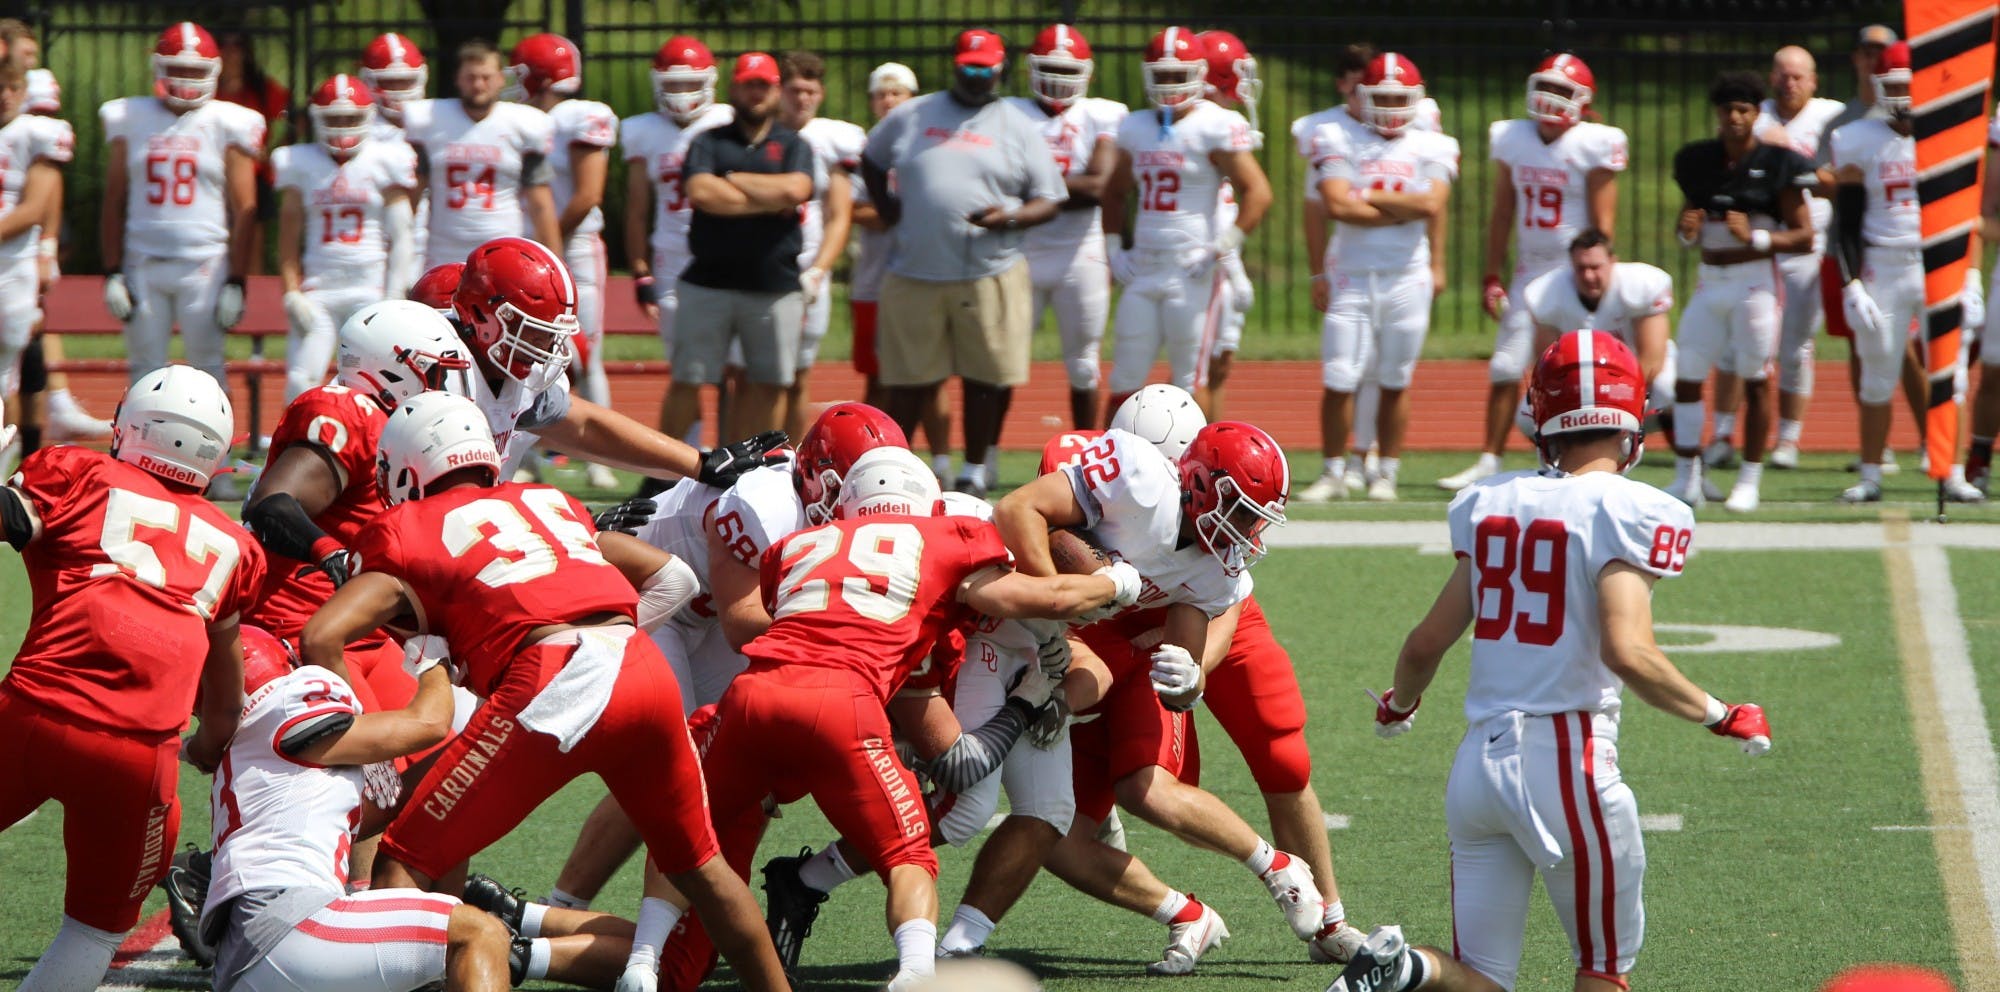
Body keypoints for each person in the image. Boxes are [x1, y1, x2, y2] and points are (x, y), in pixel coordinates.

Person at [300, 391, 793, 992]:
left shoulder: (403, 528)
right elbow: (674, 580)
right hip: (638, 665)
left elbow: (321, 634)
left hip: (553, 680)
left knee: (403, 865)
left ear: (406, 469)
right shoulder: (550, 501)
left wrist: (361, 742)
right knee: (703, 870)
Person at [1332, 330, 1773, 992]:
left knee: (1482, 977)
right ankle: (1408, 969)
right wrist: (1720, 713)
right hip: (1568, 761)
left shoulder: (1490, 501)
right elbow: (1627, 650)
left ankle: (1409, 967)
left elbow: (1426, 642)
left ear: (1543, 423)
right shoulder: (1631, 508)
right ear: (1630, 425)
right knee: (1602, 968)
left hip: (1477, 768)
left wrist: (1399, 705)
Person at [693, 445, 1138, 990]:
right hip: (892, 670)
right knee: (957, 808)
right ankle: (885, 935)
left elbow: (1072, 639)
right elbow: (961, 759)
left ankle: (653, 947)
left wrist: (1056, 681)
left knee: (691, 823)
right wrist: (1031, 699)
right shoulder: (957, 534)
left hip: (800, 686)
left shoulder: (840, 540)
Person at [534, 402, 897, 916]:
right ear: (816, 475)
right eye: (850, 487)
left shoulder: (836, 504)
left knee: (748, 758)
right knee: (671, 763)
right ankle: (561, 910)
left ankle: (698, 924)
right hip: (652, 601)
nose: (860, 502)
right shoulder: (765, 506)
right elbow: (743, 624)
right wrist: (846, 631)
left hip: (705, 615)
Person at [996, 421, 1330, 973]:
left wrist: (1188, 681)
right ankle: (1184, 914)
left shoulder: (1218, 564)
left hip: (1118, 648)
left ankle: (1278, 869)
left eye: (1255, 517)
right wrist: (1055, 605)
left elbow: (1181, 656)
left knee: (1146, 789)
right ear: (1200, 484)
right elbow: (1015, 510)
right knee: (1048, 831)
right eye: (1241, 511)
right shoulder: (1137, 478)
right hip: (1060, 629)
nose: (1248, 531)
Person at [0, 367, 265, 992]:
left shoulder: (80, 471)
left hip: (34, 712)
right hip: (141, 757)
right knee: (93, 931)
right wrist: (205, 749)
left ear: (129, 426)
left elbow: (12, 520)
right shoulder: (235, 546)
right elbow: (225, 703)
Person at [202, 629, 635, 992]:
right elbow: (428, 723)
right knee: (478, 933)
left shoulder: (253, 758)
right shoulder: (280, 704)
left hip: (248, 956)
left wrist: (482, 737)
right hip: (291, 924)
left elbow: (379, 808)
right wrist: (432, 660)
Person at [862, 27, 1069, 497]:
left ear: (1001, 70)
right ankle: (892, 471)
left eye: (985, 70)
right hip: (914, 271)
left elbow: (1050, 198)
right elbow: (871, 160)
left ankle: (975, 469)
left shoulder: (1016, 123)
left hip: (990, 270)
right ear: (954, 66)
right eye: (968, 69)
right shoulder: (913, 114)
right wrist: (889, 208)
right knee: (907, 382)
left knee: (985, 379)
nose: (976, 78)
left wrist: (1009, 217)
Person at [446, 235, 786, 490]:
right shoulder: (435, 368)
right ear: (479, 315)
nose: (545, 348)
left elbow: (586, 426)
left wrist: (701, 464)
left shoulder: (511, 378)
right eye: (533, 332)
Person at [1438, 54, 1626, 492]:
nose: (1550, 97)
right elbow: (1503, 211)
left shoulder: (1595, 142)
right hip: (1529, 270)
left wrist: (1593, 278)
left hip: (1573, 271)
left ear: (1583, 99)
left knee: (1579, 369)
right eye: (1546, 86)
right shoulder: (1514, 138)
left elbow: (1603, 224)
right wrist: (1491, 273)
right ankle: (1490, 458)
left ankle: (1589, 458)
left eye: (1562, 89)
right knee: (1506, 366)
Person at [1828, 43, 1985, 505]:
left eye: (1908, 84)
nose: (1903, 95)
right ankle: (1871, 474)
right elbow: (1847, 220)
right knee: (1877, 371)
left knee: (1951, 375)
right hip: (1885, 263)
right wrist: (1851, 282)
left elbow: (1965, 215)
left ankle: (1950, 471)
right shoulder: (1856, 137)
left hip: (1942, 263)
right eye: (1894, 85)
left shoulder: (1953, 133)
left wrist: (1972, 276)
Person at [1302, 53, 1459, 502]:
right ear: (1363, 96)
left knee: (1395, 378)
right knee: (1338, 376)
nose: (1390, 107)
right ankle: (1333, 471)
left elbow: (1432, 205)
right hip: (1350, 273)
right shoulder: (1336, 135)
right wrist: (1402, 207)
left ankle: (1386, 470)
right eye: (1382, 97)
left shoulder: (1433, 143)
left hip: (1406, 275)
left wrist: (1366, 193)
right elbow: (1336, 204)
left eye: (1398, 98)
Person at [1103, 28, 1271, 421]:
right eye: (1162, 75)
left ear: (1198, 74)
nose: (1170, 83)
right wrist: (1113, 248)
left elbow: (1258, 192)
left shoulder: (1215, 123)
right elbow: (1113, 191)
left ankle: (1194, 461)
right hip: (1144, 266)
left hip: (1191, 270)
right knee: (1124, 378)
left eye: (1178, 75)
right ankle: (1111, 454)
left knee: (1189, 381)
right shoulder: (1136, 126)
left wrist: (1221, 247)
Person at [1669, 70, 1816, 512]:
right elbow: (1687, 227)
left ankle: (1749, 478)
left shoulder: (1776, 163)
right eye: (1727, 110)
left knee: (1755, 379)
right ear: (1717, 114)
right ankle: (1687, 476)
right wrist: (1686, 231)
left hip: (1754, 283)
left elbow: (1804, 235)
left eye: (1743, 110)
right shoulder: (1699, 161)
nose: (1734, 117)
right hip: (1709, 279)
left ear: (1755, 114)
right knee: (1686, 377)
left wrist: (1756, 237)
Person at [1701, 45, 1850, 473]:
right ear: (1771, 78)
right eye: (1783, 74)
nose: (1790, 83)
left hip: (1803, 245)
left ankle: (1788, 437)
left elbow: (1841, 184)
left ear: (1814, 81)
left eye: (1798, 76)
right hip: (1751, 244)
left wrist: (1792, 164)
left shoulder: (1832, 118)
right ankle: (1723, 434)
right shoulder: (1754, 114)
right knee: (1735, 342)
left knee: (1795, 345)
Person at [99, 21, 265, 386]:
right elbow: (113, 201)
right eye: (178, 69)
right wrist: (111, 271)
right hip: (142, 261)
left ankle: (217, 428)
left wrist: (237, 280)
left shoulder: (226, 121)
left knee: (209, 369)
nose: (187, 78)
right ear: (158, 67)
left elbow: (245, 209)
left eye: (194, 70)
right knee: (143, 370)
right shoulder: (130, 117)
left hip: (205, 264)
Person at [661, 51, 816, 442]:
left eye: (763, 85)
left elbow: (797, 190)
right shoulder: (708, 141)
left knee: (771, 383)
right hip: (708, 281)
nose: (756, 93)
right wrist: (769, 199)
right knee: (688, 379)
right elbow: (701, 192)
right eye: (749, 85)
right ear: (733, 89)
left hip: (774, 284)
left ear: (776, 91)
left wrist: (731, 179)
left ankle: (757, 467)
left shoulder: (794, 144)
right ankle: (661, 470)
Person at [504, 32, 620, 489]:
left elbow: (588, 194)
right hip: (528, 246)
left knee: (583, 353)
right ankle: (524, 454)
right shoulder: (520, 120)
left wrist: (545, 243)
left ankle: (601, 458)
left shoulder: (577, 116)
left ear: (538, 77)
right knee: (519, 351)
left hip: (571, 246)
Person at [1006, 24, 1127, 430]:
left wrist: (1033, 188)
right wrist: (1066, 186)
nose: (1058, 78)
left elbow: (1098, 187)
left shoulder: (1101, 114)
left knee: (1084, 365)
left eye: (1066, 69)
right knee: (1001, 362)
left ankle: (1087, 446)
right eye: (1051, 68)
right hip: (1021, 250)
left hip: (1081, 251)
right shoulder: (1008, 112)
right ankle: (986, 456)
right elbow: (1002, 182)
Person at [272, 75, 418, 401]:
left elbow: (402, 236)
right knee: (300, 381)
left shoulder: (386, 159)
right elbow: (288, 236)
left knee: (380, 383)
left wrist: (394, 294)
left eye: (350, 119)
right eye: (334, 118)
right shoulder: (300, 162)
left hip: (370, 288)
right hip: (319, 291)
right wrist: (291, 291)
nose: (341, 127)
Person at [622, 35, 732, 449]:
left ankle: (733, 448)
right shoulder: (644, 131)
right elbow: (636, 207)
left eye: (690, 84)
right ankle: (691, 454)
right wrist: (640, 270)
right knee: (685, 368)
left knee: (731, 368)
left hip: (724, 257)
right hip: (671, 260)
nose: (683, 94)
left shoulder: (727, 121)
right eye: (674, 85)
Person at [850, 63, 955, 476]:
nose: (889, 101)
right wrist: (908, 213)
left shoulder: (931, 147)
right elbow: (854, 208)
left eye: (898, 93)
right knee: (878, 379)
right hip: (876, 280)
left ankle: (943, 462)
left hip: (926, 277)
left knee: (931, 377)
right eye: (881, 94)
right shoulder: (867, 149)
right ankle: (869, 457)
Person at [402, 39, 560, 269]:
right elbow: (412, 195)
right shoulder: (431, 121)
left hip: (502, 250)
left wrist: (554, 263)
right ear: (457, 79)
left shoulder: (522, 125)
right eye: (470, 77)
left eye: (486, 77)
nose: (478, 85)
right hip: (444, 252)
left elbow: (541, 205)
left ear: (500, 79)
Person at [774, 50, 865, 441]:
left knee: (797, 375)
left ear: (821, 93)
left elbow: (839, 215)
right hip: (759, 269)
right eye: (795, 90)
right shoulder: (758, 131)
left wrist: (818, 270)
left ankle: (791, 456)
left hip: (807, 269)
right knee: (750, 376)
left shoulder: (831, 140)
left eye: (810, 91)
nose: (803, 99)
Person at [1522, 230, 1675, 410]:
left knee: (1665, 389)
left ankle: (1670, 427)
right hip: (1580, 380)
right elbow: (1548, 368)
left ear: (1612, 262)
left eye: (1595, 267)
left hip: (1637, 376)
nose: (1588, 276)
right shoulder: (1547, 295)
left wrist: (1615, 394)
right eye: (1581, 268)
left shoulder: (1642, 286)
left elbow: (1652, 361)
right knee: (1527, 413)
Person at [0, 61, 67, 459]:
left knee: (5, 375)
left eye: (12, 86)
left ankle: (8, 463)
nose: (5, 95)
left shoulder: (36, 133)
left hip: (11, 267)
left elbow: (35, 207)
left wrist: (47, 250)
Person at [1194, 29, 1261, 418]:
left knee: (1217, 365)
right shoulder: (1212, 125)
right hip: (1206, 262)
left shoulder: (1217, 122)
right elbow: (1215, 212)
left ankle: (1211, 440)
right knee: (1199, 368)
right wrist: (1234, 269)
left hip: (1218, 257)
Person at [359, 31, 431, 290]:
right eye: (390, 82)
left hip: (430, 242)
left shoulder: (435, 122)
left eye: (405, 81)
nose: (399, 91)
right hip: (376, 242)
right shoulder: (362, 133)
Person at [216, 31, 289, 276]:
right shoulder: (210, 89)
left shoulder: (260, 88)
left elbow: (293, 115)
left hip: (255, 174)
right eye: (224, 46)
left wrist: (275, 149)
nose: (230, 53)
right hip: (218, 174)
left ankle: (253, 287)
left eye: (236, 46)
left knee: (252, 240)